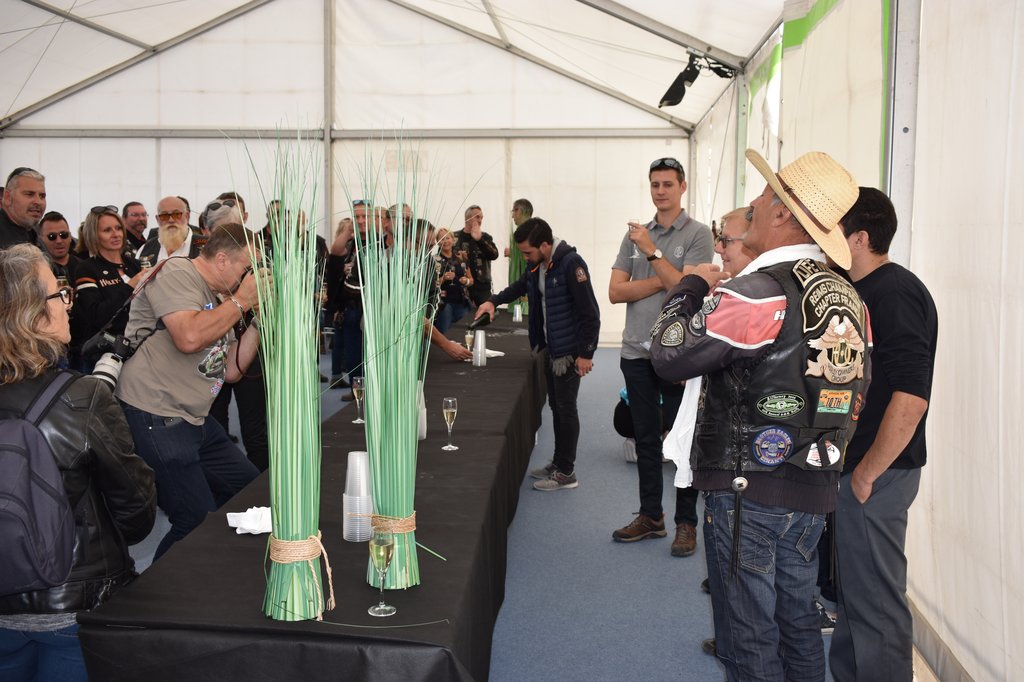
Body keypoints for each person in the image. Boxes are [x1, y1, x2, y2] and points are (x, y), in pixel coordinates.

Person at [650, 150, 870, 681]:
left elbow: (669, 354)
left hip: (748, 489)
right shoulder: (852, 298)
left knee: (749, 636)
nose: (754, 201)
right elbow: (857, 387)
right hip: (813, 486)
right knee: (798, 625)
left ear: (782, 214)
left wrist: (689, 286)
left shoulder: (757, 291)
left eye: (765, 195)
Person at [0, 244, 156, 681]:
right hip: (74, 606)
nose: (69, 304)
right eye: (59, 294)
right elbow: (137, 510)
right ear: (34, 315)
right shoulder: (84, 398)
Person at [829, 187, 938, 682]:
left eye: (834, 229)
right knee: (856, 597)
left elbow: (912, 397)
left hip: (879, 473)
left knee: (876, 604)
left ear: (860, 239)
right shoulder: (862, 290)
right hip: (862, 469)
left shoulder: (894, 293)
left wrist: (868, 473)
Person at [114, 222, 264, 560]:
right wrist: (241, 301)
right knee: (194, 519)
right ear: (222, 259)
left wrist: (258, 321)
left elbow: (230, 370)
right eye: (247, 267)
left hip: (194, 417)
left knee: (250, 491)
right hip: (155, 413)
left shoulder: (221, 298)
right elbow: (189, 337)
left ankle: (210, 558)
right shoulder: (177, 272)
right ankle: (155, 588)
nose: (250, 277)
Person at [608, 156, 713, 557]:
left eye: (668, 184)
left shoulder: (698, 234)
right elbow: (616, 292)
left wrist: (652, 255)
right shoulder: (635, 235)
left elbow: (690, 289)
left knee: (683, 441)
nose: (661, 191)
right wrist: (665, 278)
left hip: (679, 356)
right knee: (646, 440)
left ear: (682, 187)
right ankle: (651, 516)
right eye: (655, 184)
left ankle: (686, 523)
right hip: (636, 351)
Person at [475, 217, 600, 491]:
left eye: (527, 252)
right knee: (557, 407)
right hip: (549, 349)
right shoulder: (537, 265)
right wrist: (493, 301)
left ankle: (566, 472)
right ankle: (558, 462)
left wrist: (586, 354)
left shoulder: (572, 264)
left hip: (568, 354)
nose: (524, 257)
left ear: (545, 245)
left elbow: (591, 314)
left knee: (566, 410)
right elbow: (519, 286)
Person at [71, 206, 146, 372]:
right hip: (105, 354)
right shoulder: (86, 269)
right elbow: (97, 317)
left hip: (140, 348)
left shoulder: (135, 264)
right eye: (107, 230)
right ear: (94, 235)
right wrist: (130, 286)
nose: (116, 234)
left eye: (118, 228)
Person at [136, 195, 205, 267]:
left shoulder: (207, 246)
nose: (171, 220)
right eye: (164, 215)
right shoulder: (145, 248)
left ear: (187, 216)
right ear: (157, 219)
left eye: (177, 214)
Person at [454, 205, 498, 306]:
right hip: (460, 285)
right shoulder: (454, 237)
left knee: (486, 313)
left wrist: (480, 240)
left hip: (482, 287)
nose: (480, 220)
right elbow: (446, 257)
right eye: (477, 217)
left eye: (481, 218)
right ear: (467, 218)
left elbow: (494, 255)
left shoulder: (485, 237)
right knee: (463, 315)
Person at [434, 227, 474, 332]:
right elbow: (431, 285)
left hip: (462, 303)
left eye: (447, 238)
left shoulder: (461, 258)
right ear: (437, 242)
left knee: (464, 333)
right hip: (443, 306)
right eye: (441, 239)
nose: (445, 241)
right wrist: (443, 278)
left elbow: (471, 280)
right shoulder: (434, 260)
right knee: (445, 333)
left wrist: (466, 281)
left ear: (453, 240)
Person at [1, 167, 46, 249]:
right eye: (29, 194)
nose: (38, 202)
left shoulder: (35, 236)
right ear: (8, 198)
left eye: (42, 196)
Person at [36, 211, 81, 286]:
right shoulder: (36, 272)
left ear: (70, 237)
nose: (59, 241)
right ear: (41, 240)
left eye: (63, 235)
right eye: (52, 236)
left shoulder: (84, 267)